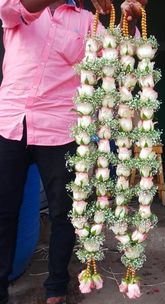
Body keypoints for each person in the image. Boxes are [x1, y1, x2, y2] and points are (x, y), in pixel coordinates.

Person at [0, 0, 147, 303]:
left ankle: (55, 287)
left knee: (65, 214)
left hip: (61, 130)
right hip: (10, 123)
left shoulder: (86, 21)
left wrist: (130, 21)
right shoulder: (17, 5)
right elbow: (9, 12)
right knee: (3, 212)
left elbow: (117, 58)